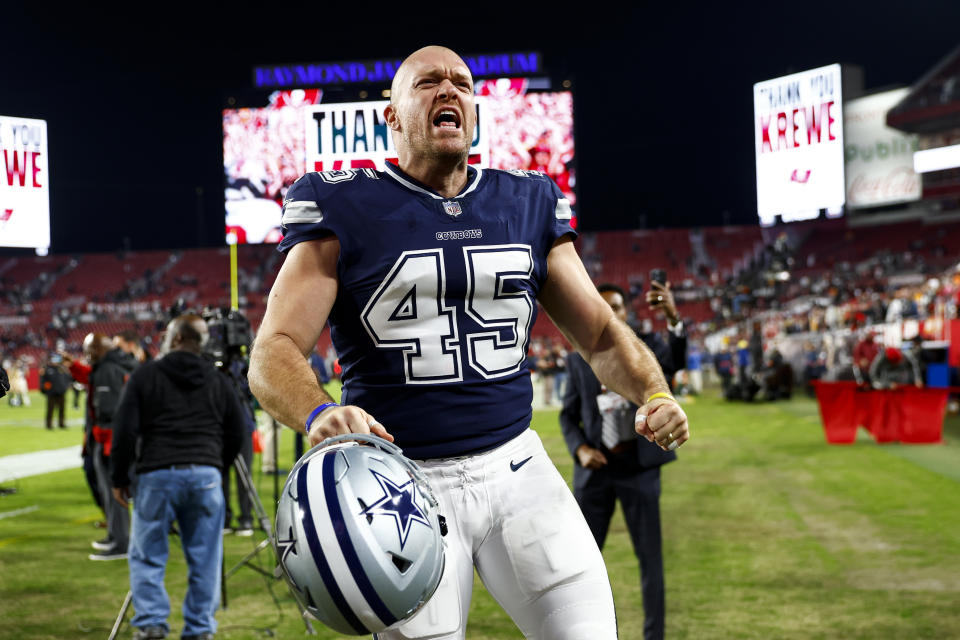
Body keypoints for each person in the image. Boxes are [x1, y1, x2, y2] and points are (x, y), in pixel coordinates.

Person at [248, 45, 689, 639]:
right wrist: (319, 411)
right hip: (400, 485)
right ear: (394, 116)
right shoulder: (344, 203)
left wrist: (653, 392)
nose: (449, 90)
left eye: (460, 81)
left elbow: (601, 331)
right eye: (428, 82)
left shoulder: (527, 200)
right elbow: (273, 347)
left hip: (517, 469)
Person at [111, 314, 246, 640]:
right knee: (206, 559)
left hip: (156, 475)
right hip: (206, 475)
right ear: (201, 343)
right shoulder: (218, 380)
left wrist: (119, 478)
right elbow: (237, 431)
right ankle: (200, 629)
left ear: (171, 339)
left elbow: (124, 430)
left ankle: (152, 624)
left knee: (147, 556)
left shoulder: (146, 375)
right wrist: (216, 465)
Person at [560, 283, 679, 640]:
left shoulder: (648, 349)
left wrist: (672, 317)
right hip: (595, 471)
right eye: (603, 306)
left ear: (627, 312)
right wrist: (580, 449)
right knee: (581, 566)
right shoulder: (577, 357)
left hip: (637, 467)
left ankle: (653, 636)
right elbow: (568, 416)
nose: (611, 313)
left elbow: (675, 358)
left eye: (617, 307)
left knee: (650, 563)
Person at [67, 333, 138, 560]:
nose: (87, 354)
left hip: (109, 440)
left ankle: (121, 542)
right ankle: (115, 536)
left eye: (90, 349)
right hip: (112, 439)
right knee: (110, 491)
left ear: (99, 349)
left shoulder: (108, 370)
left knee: (114, 491)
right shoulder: (110, 365)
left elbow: (109, 411)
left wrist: (102, 440)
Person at [39, 353, 72, 429]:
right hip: (51, 393)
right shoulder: (47, 369)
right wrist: (45, 390)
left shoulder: (62, 369)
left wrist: (65, 387)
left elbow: (68, 378)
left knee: (62, 409)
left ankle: (61, 423)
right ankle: (49, 424)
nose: (55, 361)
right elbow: (43, 381)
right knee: (50, 409)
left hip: (61, 392)